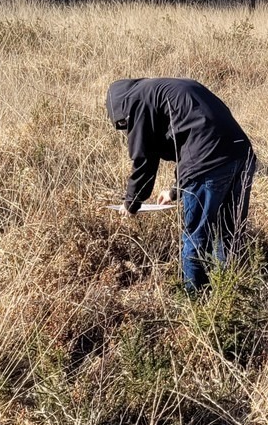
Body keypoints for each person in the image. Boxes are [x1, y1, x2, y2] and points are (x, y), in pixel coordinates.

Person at [107, 77, 255, 291]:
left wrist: (131, 203)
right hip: (242, 154)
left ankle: (195, 298)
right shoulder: (165, 89)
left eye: (124, 124)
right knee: (229, 232)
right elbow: (195, 134)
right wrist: (175, 191)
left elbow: (145, 159)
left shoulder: (136, 101)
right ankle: (229, 294)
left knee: (196, 237)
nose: (126, 127)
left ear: (120, 108)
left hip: (210, 163)